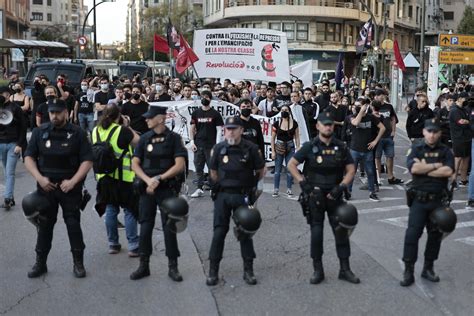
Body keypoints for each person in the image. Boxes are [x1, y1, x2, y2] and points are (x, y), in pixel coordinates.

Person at [287, 112, 360, 285]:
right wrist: (303, 184)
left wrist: (341, 187)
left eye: (330, 124)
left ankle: (345, 269)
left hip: (335, 196)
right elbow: (292, 164)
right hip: (315, 196)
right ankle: (318, 270)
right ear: (318, 126)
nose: (328, 127)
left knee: (341, 233)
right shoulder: (309, 146)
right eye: (324, 124)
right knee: (317, 234)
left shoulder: (341, 146)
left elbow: (351, 170)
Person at [24, 99, 93, 278]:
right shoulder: (40, 132)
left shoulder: (77, 133)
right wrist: (40, 178)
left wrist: (73, 181)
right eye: (51, 112)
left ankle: (78, 263)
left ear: (66, 112)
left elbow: (87, 160)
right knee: (45, 226)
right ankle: (40, 263)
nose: (54, 116)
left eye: (58, 112)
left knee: (73, 224)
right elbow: (29, 158)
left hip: (70, 187)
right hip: (46, 187)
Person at [130, 106, 187, 281]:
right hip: (147, 189)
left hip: (166, 188)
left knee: (169, 227)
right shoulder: (144, 138)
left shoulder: (174, 139)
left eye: (150, 117)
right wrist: (149, 181)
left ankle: (173, 266)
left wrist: (159, 178)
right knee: (145, 226)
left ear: (161, 118)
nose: (146, 120)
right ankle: (144, 265)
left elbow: (179, 165)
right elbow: (135, 163)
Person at [206, 116, 265, 286]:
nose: (230, 131)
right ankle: (213, 271)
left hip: (242, 195)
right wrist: (217, 186)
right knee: (218, 233)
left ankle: (249, 271)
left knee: (245, 233)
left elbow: (261, 170)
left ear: (241, 130)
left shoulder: (251, 148)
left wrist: (252, 187)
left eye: (234, 128)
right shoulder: (218, 148)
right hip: (223, 196)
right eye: (227, 128)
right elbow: (213, 171)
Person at [400, 118, 454, 286]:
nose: (432, 135)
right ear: (424, 132)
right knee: (412, 235)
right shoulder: (416, 148)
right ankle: (408, 271)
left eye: (435, 132)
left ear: (439, 133)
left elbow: (449, 171)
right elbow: (414, 169)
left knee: (435, 236)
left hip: (438, 201)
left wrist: (426, 168)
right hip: (419, 200)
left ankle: (428, 268)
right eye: (429, 131)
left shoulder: (445, 151)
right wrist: (437, 166)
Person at [92, 104, 140, 256]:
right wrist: (127, 125)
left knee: (111, 210)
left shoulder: (95, 130)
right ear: (119, 116)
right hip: (123, 178)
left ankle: (113, 243)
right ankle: (133, 245)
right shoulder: (122, 131)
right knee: (130, 211)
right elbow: (138, 142)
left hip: (103, 178)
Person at [348, 99, 386, 202]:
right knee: (352, 171)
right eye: (355, 105)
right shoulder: (351, 116)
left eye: (359, 105)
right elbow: (355, 123)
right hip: (355, 149)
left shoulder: (371, 117)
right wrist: (360, 111)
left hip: (367, 150)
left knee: (370, 172)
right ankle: (348, 192)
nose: (356, 107)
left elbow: (382, 128)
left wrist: (375, 141)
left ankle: (372, 193)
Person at [189, 97, 224, 198]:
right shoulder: (195, 113)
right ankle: (199, 188)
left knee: (212, 168)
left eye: (207, 97)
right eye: (203, 96)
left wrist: (217, 145)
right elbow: (192, 128)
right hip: (198, 144)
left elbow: (219, 130)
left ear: (210, 99)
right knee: (198, 168)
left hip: (211, 145)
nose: (205, 99)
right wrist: (192, 142)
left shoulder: (215, 114)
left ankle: (213, 188)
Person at [0, 87, 27, 209]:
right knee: (6, 172)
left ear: (9, 95)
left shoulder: (16, 108)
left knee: (10, 172)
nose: (3, 96)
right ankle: (11, 197)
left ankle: (7, 198)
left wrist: (20, 144)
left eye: (5, 94)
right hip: (1, 144)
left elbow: (23, 127)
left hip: (13, 144)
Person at [373, 91, 403, 185]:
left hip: (388, 136)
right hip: (377, 137)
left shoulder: (388, 106)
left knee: (390, 156)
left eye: (383, 95)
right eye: (380, 95)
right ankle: (378, 178)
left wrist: (394, 131)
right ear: (376, 96)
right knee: (377, 157)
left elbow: (393, 119)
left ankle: (391, 177)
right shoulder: (372, 106)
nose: (382, 97)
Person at [271, 104, 300, 197]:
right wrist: (273, 151)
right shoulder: (276, 123)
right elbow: (272, 138)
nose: (284, 112)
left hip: (290, 147)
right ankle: (276, 189)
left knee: (289, 169)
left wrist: (298, 147)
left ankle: (289, 189)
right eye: (282, 110)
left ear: (289, 111)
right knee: (277, 170)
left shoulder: (294, 123)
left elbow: (297, 137)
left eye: (286, 110)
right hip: (279, 146)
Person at [449, 92, 471, 188]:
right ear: (460, 98)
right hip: (458, 138)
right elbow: (461, 122)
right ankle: (453, 181)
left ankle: (463, 180)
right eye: (465, 99)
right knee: (457, 159)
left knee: (466, 159)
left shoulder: (464, 109)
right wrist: (469, 122)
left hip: (467, 138)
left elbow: (466, 121)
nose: (467, 101)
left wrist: (467, 121)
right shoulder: (454, 110)